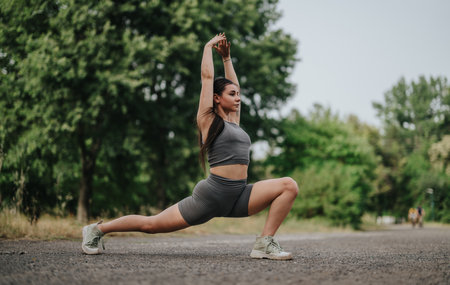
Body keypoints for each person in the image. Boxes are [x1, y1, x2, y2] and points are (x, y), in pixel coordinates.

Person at [82, 33, 299, 260]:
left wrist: (227, 59)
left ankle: (264, 244)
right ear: (216, 98)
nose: (238, 98)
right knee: (152, 224)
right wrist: (207, 47)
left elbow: (235, 85)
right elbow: (207, 78)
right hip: (212, 196)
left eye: (239, 95)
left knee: (288, 186)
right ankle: (97, 229)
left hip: (239, 196)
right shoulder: (208, 120)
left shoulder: (234, 121)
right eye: (232, 94)